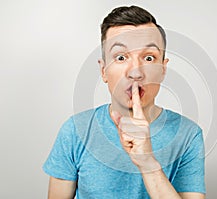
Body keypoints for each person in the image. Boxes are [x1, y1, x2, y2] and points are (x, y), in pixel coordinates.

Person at [43, 5, 206, 199]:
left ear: (163, 69)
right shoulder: (75, 131)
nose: (135, 72)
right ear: (103, 71)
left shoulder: (188, 135)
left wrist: (147, 163)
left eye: (148, 57)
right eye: (121, 57)